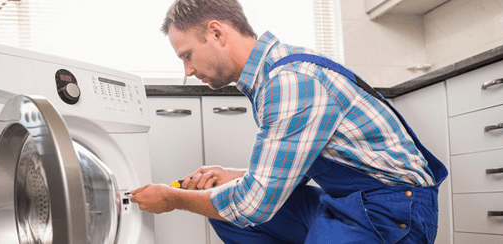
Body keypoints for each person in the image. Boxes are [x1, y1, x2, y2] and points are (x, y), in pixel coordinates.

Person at [130, 0, 448, 243]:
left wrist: (173, 199)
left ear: (216, 32)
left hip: (391, 210)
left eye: (187, 55)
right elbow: (293, 170)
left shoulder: (289, 81)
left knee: (233, 206)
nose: (187, 71)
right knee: (225, 208)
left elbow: (255, 204)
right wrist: (234, 175)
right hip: (349, 201)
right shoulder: (271, 76)